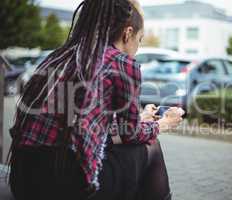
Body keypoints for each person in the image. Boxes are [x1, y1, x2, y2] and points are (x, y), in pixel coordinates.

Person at [6, 0, 183, 200]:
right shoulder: (121, 62)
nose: (137, 48)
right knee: (152, 147)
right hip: (65, 187)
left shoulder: (59, 56)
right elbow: (130, 136)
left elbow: (81, 126)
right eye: (139, 39)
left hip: (23, 181)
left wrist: (140, 119)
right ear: (127, 33)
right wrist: (163, 124)